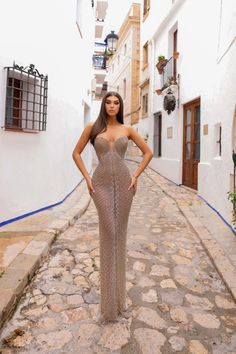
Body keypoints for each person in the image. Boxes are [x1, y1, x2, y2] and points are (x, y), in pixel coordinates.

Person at [72, 91, 153, 323]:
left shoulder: (127, 130)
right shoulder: (92, 127)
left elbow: (148, 153)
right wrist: (87, 177)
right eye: (108, 102)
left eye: (116, 102)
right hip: (100, 185)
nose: (112, 105)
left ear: (120, 106)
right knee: (109, 232)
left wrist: (136, 175)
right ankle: (108, 305)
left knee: (119, 236)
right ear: (103, 105)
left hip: (126, 185)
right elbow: (75, 153)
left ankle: (118, 301)